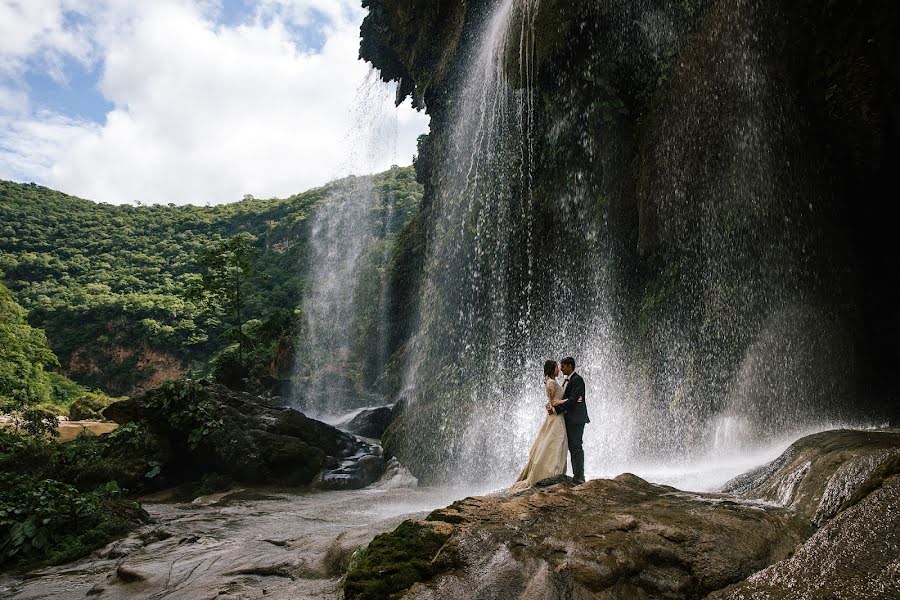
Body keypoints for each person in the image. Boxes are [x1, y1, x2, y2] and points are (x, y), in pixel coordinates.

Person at [509, 360, 568, 491]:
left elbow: (551, 402)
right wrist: (569, 400)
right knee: (557, 442)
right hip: (556, 417)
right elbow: (553, 402)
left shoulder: (552, 381)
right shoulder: (551, 383)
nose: (559, 370)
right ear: (553, 369)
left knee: (554, 443)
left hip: (556, 416)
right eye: (557, 368)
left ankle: (555, 472)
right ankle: (553, 473)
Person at [550, 356, 589, 484]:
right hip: (569, 419)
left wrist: (557, 407)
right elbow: (569, 400)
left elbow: (573, 401)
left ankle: (580, 477)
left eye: (563, 366)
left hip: (576, 419)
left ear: (570, 366)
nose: (561, 369)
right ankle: (576, 475)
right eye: (560, 366)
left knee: (576, 447)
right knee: (572, 447)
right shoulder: (567, 381)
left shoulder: (577, 380)